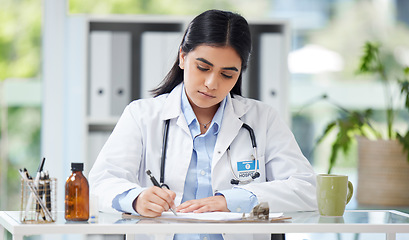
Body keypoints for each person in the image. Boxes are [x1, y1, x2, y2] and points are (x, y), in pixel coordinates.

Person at [89, 9, 317, 240]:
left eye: (227, 74)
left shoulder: (263, 119)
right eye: (203, 67)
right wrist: (135, 198)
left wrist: (233, 201)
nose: (211, 84)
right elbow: (100, 183)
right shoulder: (141, 115)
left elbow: (307, 189)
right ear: (182, 57)